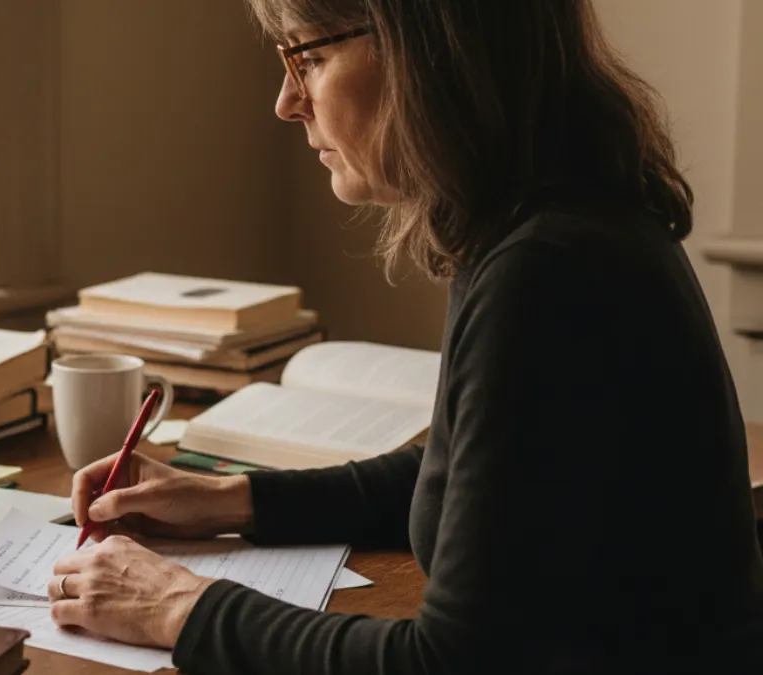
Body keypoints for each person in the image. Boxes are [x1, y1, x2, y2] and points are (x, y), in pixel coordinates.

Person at [45, 1, 763, 673]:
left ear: (425, 49)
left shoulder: (547, 271)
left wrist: (179, 606)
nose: (286, 101)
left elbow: (451, 662)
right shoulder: (551, 224)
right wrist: (229, 499)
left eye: (307, 59)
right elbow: (470, 480)